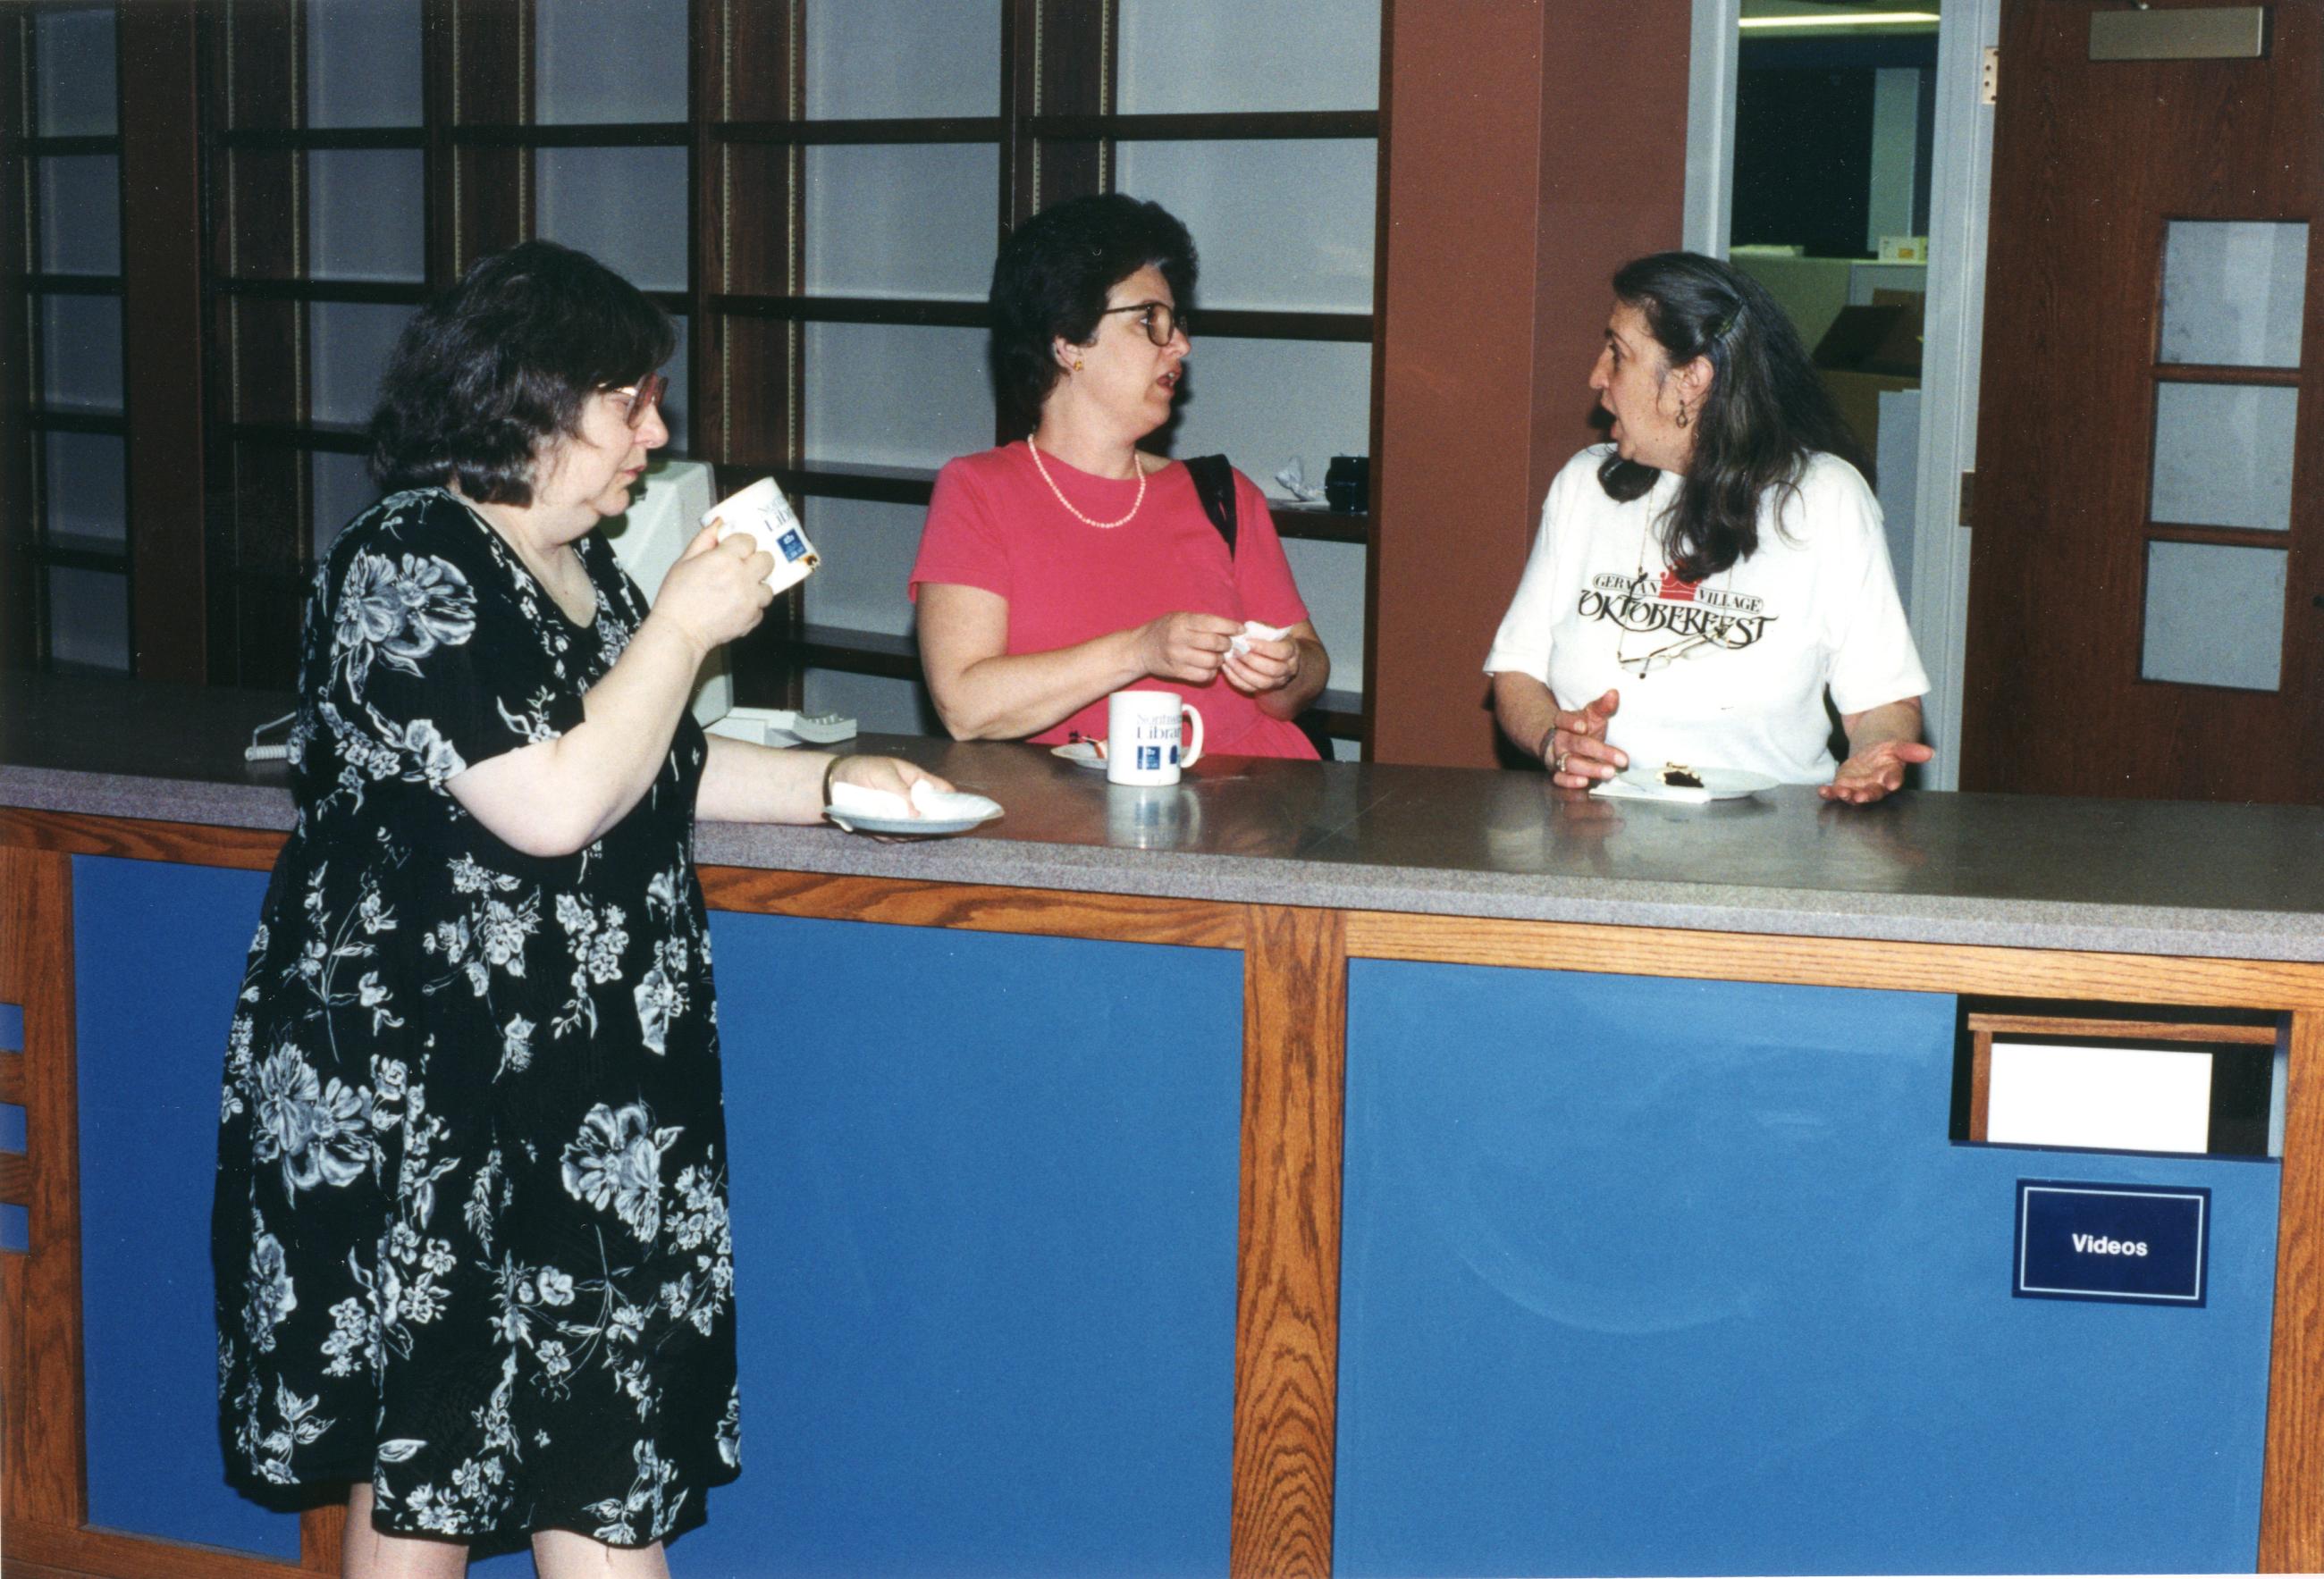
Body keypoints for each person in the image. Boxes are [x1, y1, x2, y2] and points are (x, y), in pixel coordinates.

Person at [212, 241, 947, 1575]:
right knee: (430, 1449)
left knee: (597, 1442)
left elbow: (647, 751)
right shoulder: (408, 561)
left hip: (582, 1082)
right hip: (429, 1084)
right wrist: (683, 626)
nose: (655, 439)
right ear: (534, 404)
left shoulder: (580, 568)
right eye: (632, 403)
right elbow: (551, 801)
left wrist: (838, 779)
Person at [1485, 250, 1933, 804]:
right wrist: (1556, 740)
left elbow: (1881, 701)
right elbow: (1517, 674)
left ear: (1692, 380)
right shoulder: (1585, 485)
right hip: (1592, 832)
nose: (1596, 376)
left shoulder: (1825, 496)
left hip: (1772, 842)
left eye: (1618, 355)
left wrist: (1876, 752)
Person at [911, 192, 1330, 757]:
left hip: (1253, 812)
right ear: (1067, 342)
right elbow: (964, 706)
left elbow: (1303, 677)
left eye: (1176, 322)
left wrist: (1287, 668)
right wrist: (1142, 649)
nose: (1179, 344)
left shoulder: (1223, 495)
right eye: (1148, 320)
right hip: (1075, 821)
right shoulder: (979, 490)